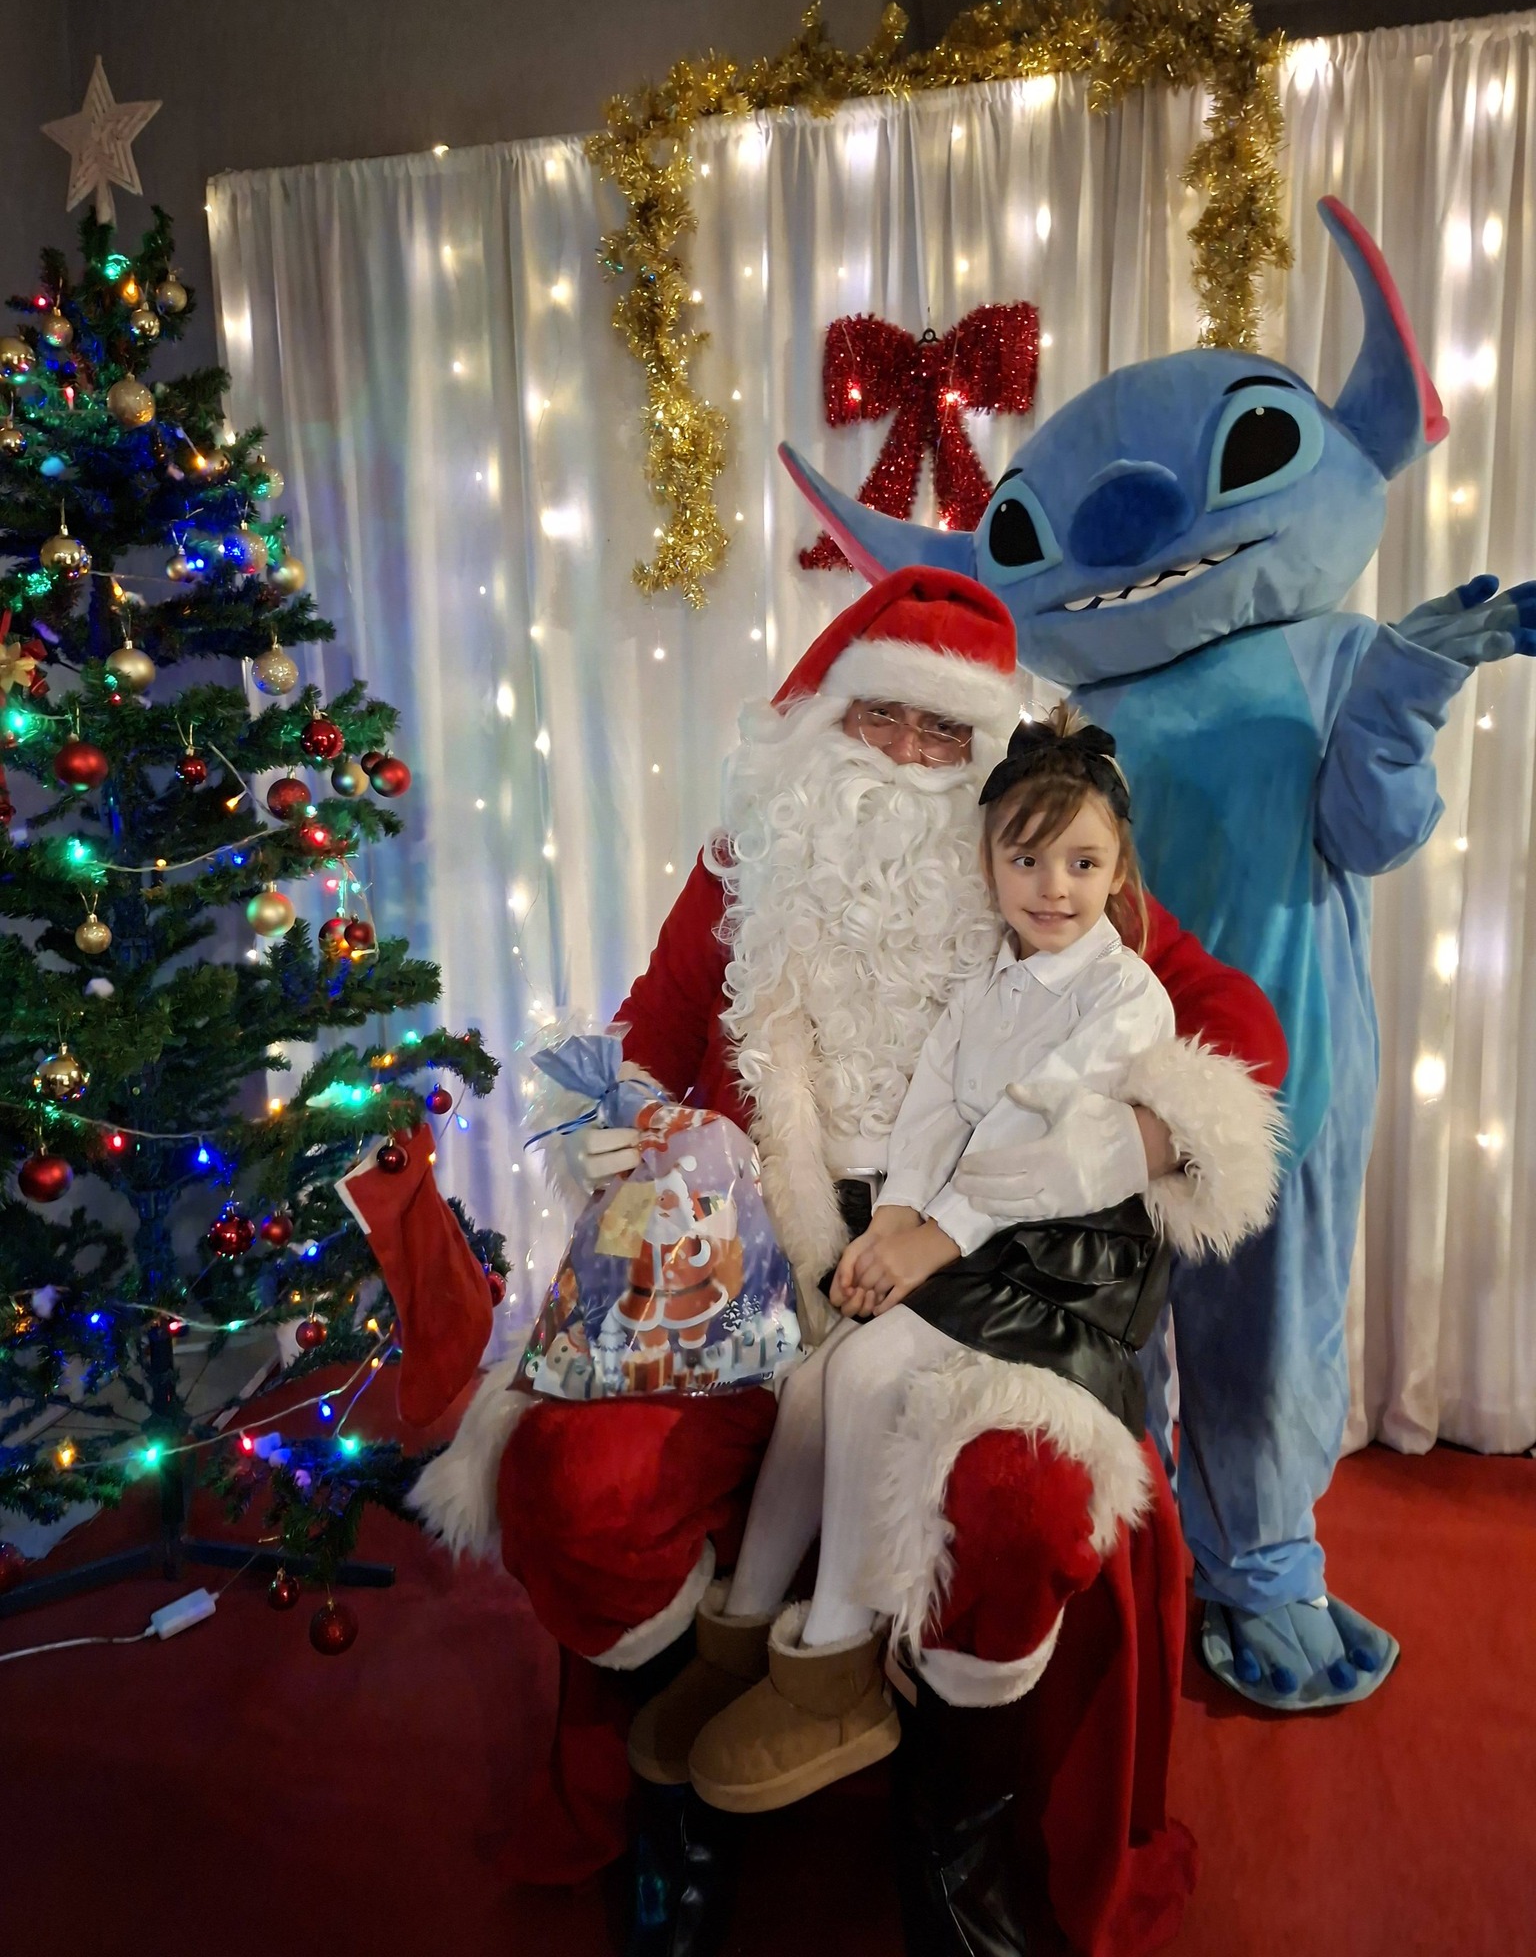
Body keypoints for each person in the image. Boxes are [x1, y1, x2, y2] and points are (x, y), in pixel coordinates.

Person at [411, 566, 1285, 1956]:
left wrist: (1144, 1133)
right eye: (886, 719)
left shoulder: (1043, 870)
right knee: (578, 1481)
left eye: (949, 733)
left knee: (1027, 1497)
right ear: (823, 721)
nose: (913, 756)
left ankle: (953, 1821)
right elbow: (648, 1034)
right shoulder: (750, 858)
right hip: (759, 1259)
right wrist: (629, 1126)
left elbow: (1231, 1025)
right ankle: (680, 1772)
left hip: (985, 1269)